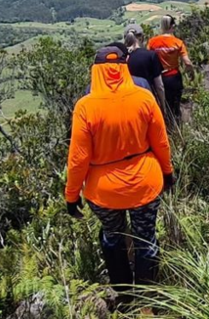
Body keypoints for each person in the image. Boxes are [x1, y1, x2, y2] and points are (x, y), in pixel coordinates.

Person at [65, 45, 174, 301]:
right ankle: (146, 299)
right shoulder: (144, 97)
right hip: (145, 183)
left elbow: (78, 159)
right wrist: (168, 173)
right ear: (124, 68)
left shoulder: (85, 106)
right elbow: (161, 142)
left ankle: (124, 295)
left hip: (103, 191)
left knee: (113, 236)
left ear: (96, 71)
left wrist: (71, 197)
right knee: (145, 238)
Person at [147, 15, 193, 123]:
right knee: (175, 103)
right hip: (174, 77)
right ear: (172, 26)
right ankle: (176, 125)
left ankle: (164, 124)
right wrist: (191, 73)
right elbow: (187, 62)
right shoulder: (178, 42)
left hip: (158, 77)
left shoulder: (152, 42)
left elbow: (148, 58)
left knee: (161, 103)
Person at [123, 24, 165, 108]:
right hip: (147, 99)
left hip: (127, 101)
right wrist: (163, 105)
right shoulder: (151, 55)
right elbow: (159, 86)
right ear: (141, 38)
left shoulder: (121, 57)